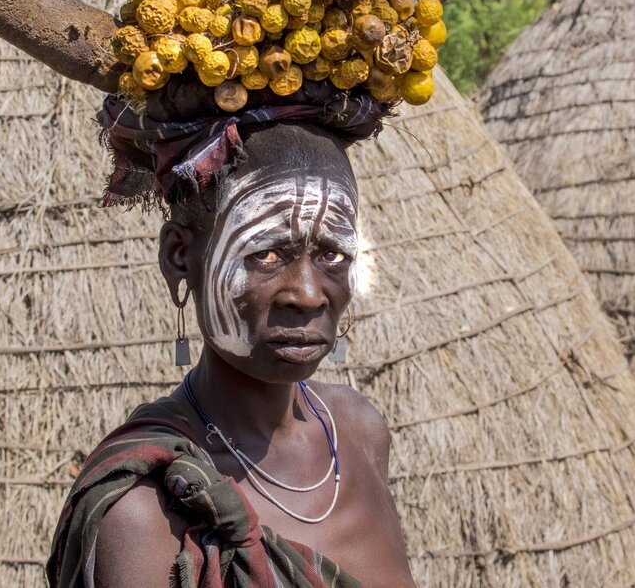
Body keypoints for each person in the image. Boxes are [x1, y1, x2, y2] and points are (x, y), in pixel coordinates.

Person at [48, 121, 416, 587]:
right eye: (265, 253)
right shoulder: (145, 509)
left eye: (331, 255)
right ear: (180, 255)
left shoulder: (360, 433)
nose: (306, 294)